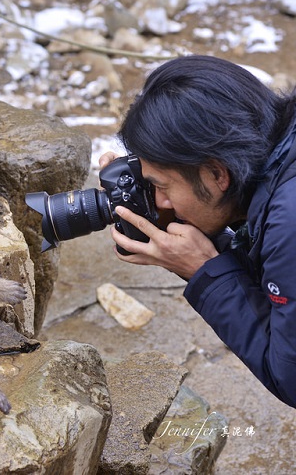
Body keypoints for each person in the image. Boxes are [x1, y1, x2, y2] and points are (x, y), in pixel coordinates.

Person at [100, 55, 296, 408]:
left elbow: (292, 378)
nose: (161, 200)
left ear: (217, 174)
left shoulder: (289, 223)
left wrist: (207, 273)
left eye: (162, 186)